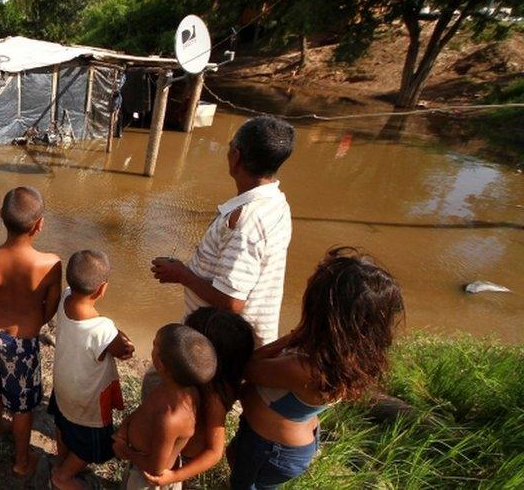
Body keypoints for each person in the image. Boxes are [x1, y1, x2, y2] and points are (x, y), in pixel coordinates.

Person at [228, 247, 404, 489]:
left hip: (271, 449)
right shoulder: (345, 355)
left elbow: (248, 367)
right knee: (239, 464)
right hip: (276, 443)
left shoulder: (304, 368)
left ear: (323, 313)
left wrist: (291, 337)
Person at [151, 116, 295, 347]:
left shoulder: (245, 221)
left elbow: (232, 301)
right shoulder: (277, 203)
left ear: (236, 157)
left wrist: (181, 275)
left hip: (219, 343)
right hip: (231, 336)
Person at [0, 186, 63, 476]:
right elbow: (51, 307)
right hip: (22, 344)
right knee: (23, 407)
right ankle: (22, 462)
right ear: (39, 225)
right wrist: (35, 322)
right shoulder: (50, 264)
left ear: (1, 217)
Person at [49, 250, 135, 490]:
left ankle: (61, 462)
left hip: (63, 387)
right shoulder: (103, 329)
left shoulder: (65, 297)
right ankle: (62, 478)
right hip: (86, 401)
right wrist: (125, 339)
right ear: (102, 289)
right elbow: (124, 350)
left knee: (63, 424)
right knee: (90, 445)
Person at [141, 308, 256, 486]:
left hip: (182, 458)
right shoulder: (187, 379)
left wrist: (175, 476)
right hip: (169, 445)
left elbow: (214, 451)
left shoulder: (214, 398)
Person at [113, 324, 217, 490]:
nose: (151, 347)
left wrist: (125, 450)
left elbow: (155, 468)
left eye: (155, 344)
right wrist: (127, 424)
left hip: (147, 480)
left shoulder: (171, 418)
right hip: (138, 463)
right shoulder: (173, 386)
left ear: (160, 364)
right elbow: (146, 409)